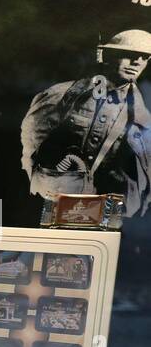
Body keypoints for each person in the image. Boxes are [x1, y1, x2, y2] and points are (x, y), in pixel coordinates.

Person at [21, 30, 151, 214]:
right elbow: (29, 145)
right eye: (129, 55)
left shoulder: (140, 114)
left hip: (98, 211)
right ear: (108, 55)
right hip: (51, 200)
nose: (137, 62)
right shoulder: (65, 94)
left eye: (144, 57)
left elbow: (138, 174)